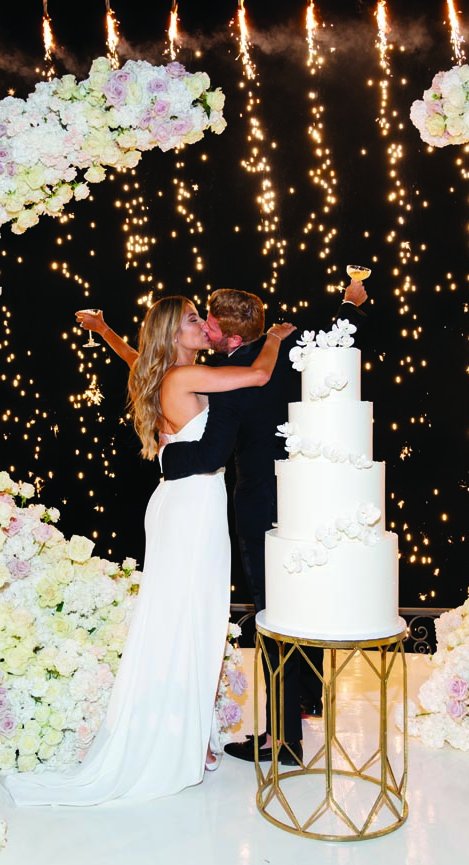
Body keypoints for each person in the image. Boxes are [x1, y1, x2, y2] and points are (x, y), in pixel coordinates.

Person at [2, 297, 294, 805]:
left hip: (184, 504)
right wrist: (272, 339)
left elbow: (132, 357)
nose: (205, 325)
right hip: (192, 507)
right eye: (192, 320)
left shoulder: (166, 372)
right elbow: (259, 377)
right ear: (172, 334)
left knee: (181, 618)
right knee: (187, 619)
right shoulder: (184, 379)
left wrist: (104, 330)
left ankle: (190, 737)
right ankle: (176, 742)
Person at [159, 282, 367, 766]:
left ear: (228, 336)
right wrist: (351, 304)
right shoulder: (295, 348)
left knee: (274, 616)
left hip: (261, 506)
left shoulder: (228, 380)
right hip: (312, 499)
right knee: (304, 601)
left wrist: (167, 456)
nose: (205, 327)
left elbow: (212, 454)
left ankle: (283, 739)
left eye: (208, 321)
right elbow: (341, 337)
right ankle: (305, 703)